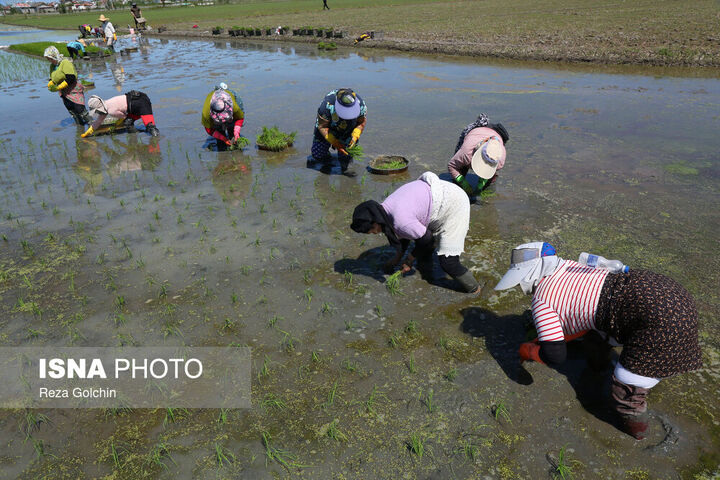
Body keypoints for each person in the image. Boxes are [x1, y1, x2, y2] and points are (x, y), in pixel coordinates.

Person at [494, 242, 702, 439]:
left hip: (663, 324)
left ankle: (637, 432)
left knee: (626, 391)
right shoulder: (573, 265)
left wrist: (530, 351)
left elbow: (555, 356)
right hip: (671, 295)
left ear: (528, 275)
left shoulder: (542, 300)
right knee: (595, 335)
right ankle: (600, 367)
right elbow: (584, 307)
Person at [351, 171, 480, 293]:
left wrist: (409, 259)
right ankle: (426, 256)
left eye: (372, 231)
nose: (374, 233)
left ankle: (475, 289)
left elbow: (426, 238)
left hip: (454, 204)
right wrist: (396, 260)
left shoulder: (400, 221)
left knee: (448, 263)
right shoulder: (386, 209)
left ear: (375, 222)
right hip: (441, 193)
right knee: (422, 248)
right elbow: (405, 236)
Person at [449, 114, 509, 196]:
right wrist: (463, 182)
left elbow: (490, 167)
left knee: (490, 180)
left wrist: (481, 185)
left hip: (495, 135)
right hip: (474, 133)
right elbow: (452, 166)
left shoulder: (499, 159)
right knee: (459, 172)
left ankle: (486, 195)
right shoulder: (466, 153)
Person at [312, 88, 366, 161]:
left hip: (348, 129)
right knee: (318, 154)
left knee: (346, 157)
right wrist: (334, 142)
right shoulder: (326, 105)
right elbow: (322, 127)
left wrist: (355, 135)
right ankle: (327, 159)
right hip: (328, 127)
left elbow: (361, 122)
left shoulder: (361, 105)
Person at [43, 46, 90, 125]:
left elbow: (71, 77)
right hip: (64, 92)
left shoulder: (65, 62)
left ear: (55, 56)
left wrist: (60, 86)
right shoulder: (52, 66)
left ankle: (92, 124)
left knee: (79, 108)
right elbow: (52, 78)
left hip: (73, 89)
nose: (50, 61)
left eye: (51, 58)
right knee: (71, 109)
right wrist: (51, 83)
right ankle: (80, 127)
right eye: (48, 59)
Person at [81, 91, 159, 137]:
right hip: (139, 98)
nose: (97, 113)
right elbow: (98, 121)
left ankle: (156, 141)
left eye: (96, 111)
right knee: (129, 122)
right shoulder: (107, 103)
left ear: (99, 108)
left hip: (141, 104)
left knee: (150, 126)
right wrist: (90, 131)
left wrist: (116, 125)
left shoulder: (111, 110)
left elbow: (123, 116)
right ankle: (135, 135)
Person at [201, 84, 244, 151]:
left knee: (232, 128)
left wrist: (236, 131)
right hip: (213, 101)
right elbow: (209, 129)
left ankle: (233, 135)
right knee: (219, 130)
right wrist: (223, 138)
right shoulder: (206, 114)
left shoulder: (234, 107)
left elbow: (240, 118)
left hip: (230, 96)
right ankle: (222, 140)